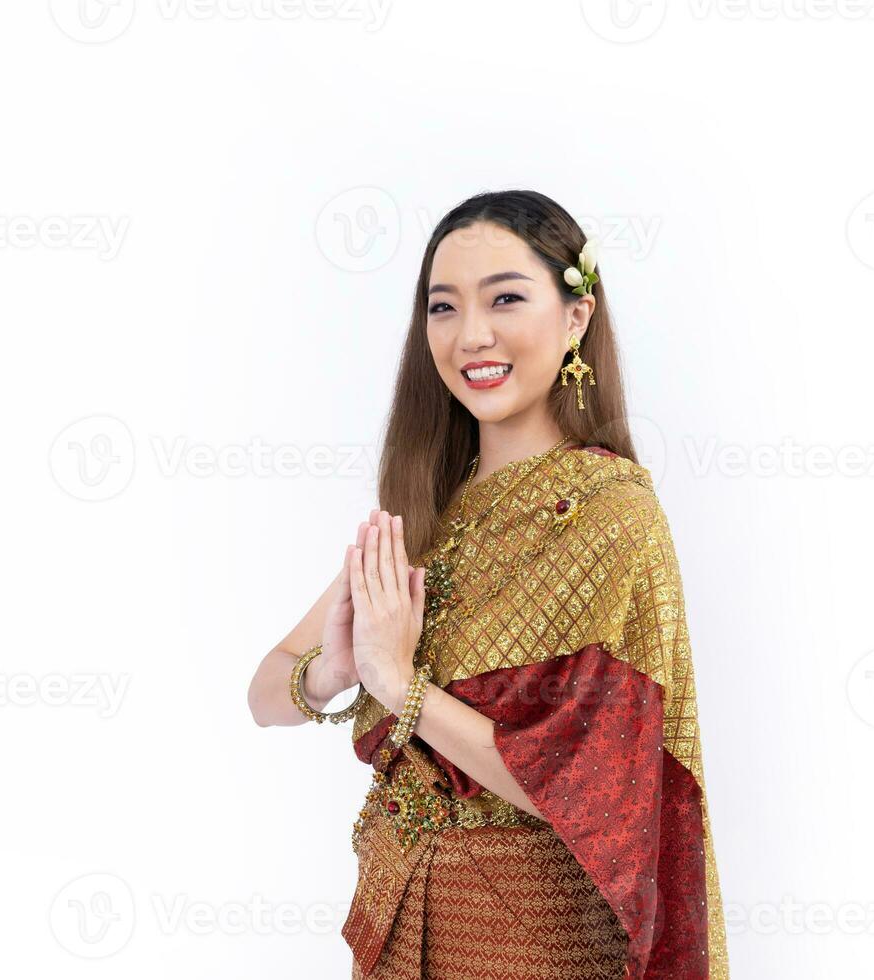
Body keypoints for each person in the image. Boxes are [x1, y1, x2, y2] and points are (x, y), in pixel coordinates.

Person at [247, 189, 729, 979]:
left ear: (576, 316)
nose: (471, 335)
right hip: (401, 919)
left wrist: (399, 686)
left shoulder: (609, 515)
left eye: (506, 297)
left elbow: (588, 785)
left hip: (536, 936)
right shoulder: (425, 514)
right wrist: (334, 670)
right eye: (443, 307)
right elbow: (264, 694)